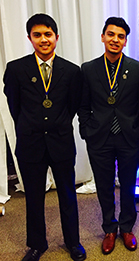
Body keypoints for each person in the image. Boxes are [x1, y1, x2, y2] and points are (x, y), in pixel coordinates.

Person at [3, 13, 86, 261]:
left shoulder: (71, 71)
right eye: (37, 35)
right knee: (34, 198)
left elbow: (72, 106)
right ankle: (37, 244)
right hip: (31, 144)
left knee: (68, 196)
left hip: (61, 142)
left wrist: (55, 124)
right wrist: (33, 125)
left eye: (48, 34)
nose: (43, 39)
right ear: (30, 38)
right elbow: (14, 107)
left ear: (57, 37)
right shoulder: (16, 69)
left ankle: (73, 242)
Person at [78, 17, 139, 254]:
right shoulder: (88, 69)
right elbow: (83, 104)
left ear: (125, 41)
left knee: (128, 185)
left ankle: (127, 227)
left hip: (129, 136)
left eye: (120, 36)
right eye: (110, 34)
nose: (115, 39)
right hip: (99, 136)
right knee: (104, 185)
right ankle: (109, 228)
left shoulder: (138, 69)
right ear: (102, 37)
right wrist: (86, 129)